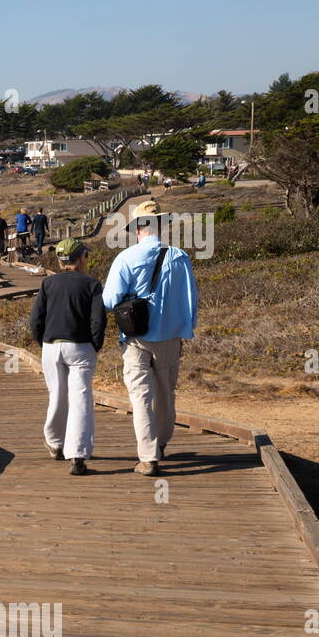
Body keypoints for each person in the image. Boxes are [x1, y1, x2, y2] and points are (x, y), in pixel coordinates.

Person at [102, 199, 200, 476]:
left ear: (137, 229)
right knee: (166, 394)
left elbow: (110, 300)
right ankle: (162, 443)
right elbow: (191, 298)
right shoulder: (180, 256)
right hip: (170, 337)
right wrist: (186, 328)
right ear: (162, 226)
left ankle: (148, 456)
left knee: (140, 396)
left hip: (135, 337)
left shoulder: (126, 258)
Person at [29, 239, 106, 476]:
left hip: (52, 346)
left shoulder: (48, 283)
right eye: (85, 255)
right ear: (80, 257)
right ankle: (78, 455)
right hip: (80, 346)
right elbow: (98, 320)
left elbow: (36, 319)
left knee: (57, 394)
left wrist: (43, 341)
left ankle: (54, 442)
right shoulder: (91, 284)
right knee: (81, 397)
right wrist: (95, 345)